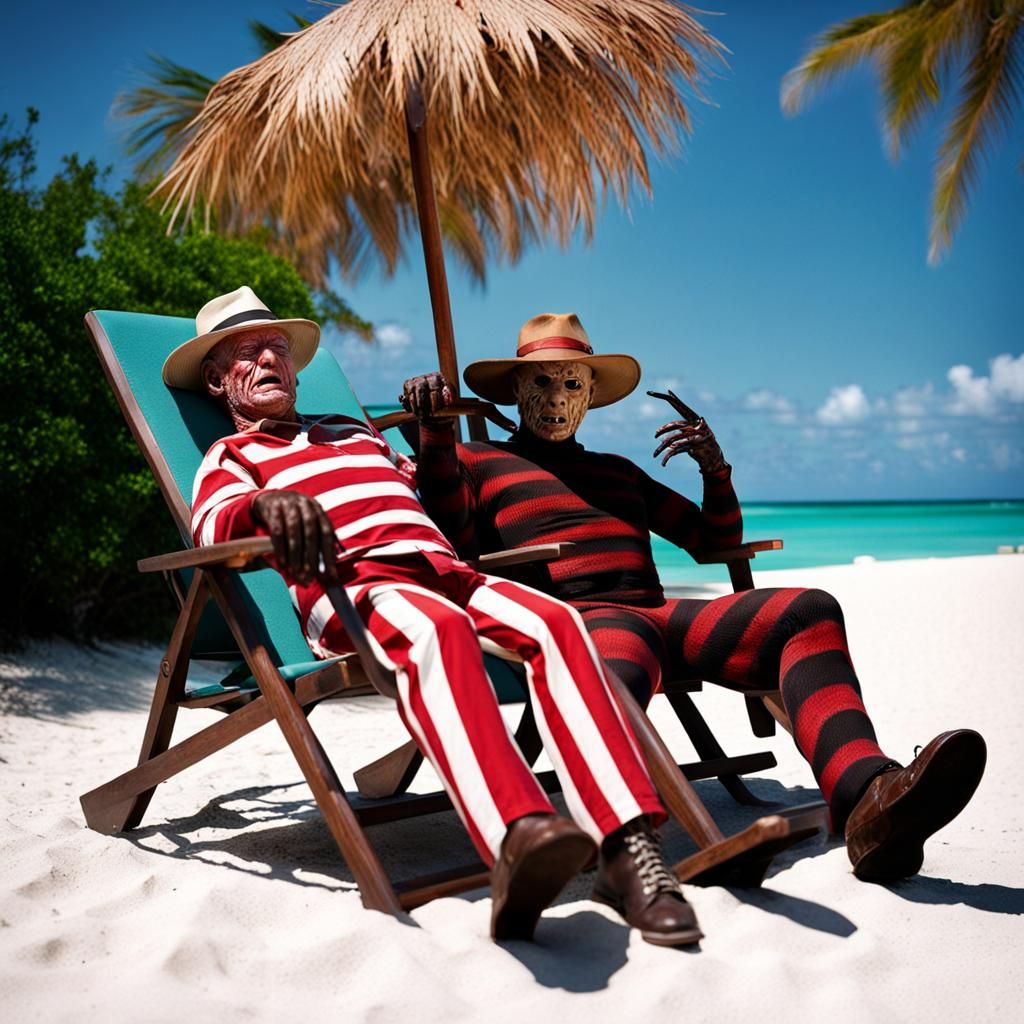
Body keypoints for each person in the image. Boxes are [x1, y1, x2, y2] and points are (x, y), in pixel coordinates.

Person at [163, 287, 702, 947]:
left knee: (560, 625)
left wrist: (439, 424)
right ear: (218, 380)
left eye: (277, 348)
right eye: (248, 353)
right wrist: (267, 508)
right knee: (436, 632)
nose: (270, 359)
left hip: (453, 572)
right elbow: (211, 523)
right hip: (358, 587)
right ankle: (516, 832)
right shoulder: (233, 458)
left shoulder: (352, 430)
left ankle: (627, 851)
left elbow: (438, 492)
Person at [404, 312, 987, 883]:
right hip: (579, 619)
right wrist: (434, 432)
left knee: (809, 608)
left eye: (571, 383)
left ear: (589, 397)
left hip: (661, 617)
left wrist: (715, 469)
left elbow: (713, 541)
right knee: (616, 654)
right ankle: (627, 843)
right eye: (542, 380)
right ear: (514, 388)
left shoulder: (619, 471)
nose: (557, 396)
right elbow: (450, 536)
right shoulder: (477, 461)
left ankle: (871, 796)